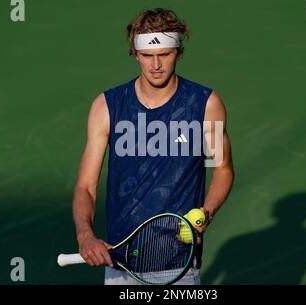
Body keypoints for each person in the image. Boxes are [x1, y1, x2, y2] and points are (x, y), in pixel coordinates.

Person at [72, 8, 234, 285]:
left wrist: (205, 213)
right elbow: (86, 185)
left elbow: (222, 169)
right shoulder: (107, 107)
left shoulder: (206, 105)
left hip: (178, 263)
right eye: (147, 56)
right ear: (136, 54)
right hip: (120, 263)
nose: (156, 65)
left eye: (165, 54)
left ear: (178, 52)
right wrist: (85, 235)